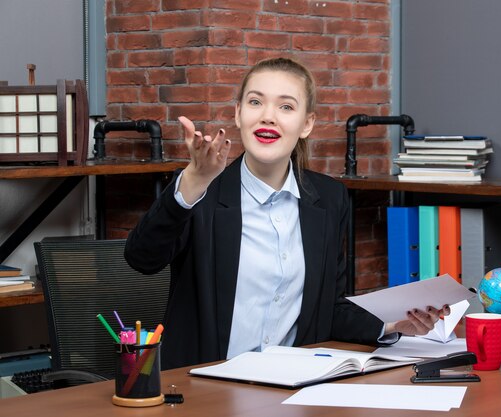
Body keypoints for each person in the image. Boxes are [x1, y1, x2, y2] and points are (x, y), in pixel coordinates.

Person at [125, 57, 448, 370]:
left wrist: (392, 324)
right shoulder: (203, 191)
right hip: (205, 388)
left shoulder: (328, 199)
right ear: (237, 114)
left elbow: (326, 310)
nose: (268, 116)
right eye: (255, 102)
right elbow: (142, 258)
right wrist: (194, 181)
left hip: (291, 385)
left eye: (286, 106)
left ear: (307, 124)